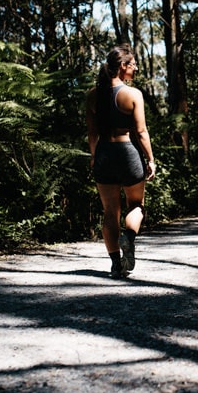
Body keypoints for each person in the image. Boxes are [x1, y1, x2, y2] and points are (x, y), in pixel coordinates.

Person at [86, 43, 156, 278]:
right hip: (127, 153)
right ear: (123, 66)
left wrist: (95, 157)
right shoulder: (133, 94)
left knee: (109, 212)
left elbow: (92, 133)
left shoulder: (93, 95)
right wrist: (151, 159)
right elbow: (141, 132)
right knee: (136, 205)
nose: (136, 68)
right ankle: (129, 237)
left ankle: (116, 264)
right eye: (133, 64)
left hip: (104, 153)